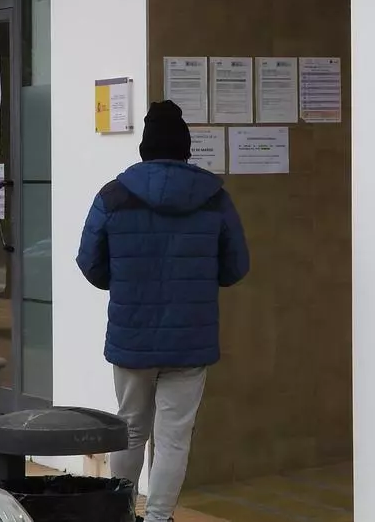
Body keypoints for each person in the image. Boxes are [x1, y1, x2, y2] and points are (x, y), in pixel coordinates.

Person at [75, 100, 250, 522]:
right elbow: (236, 266)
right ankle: (158, 517)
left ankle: (121, 513)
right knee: (174, 436)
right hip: (190, 338)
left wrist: (125, 285)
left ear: (145, 147)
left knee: (130, 427)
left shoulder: (113, 195)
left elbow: (90, 262)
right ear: (186, 148)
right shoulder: (215, 199)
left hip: (132, 336)